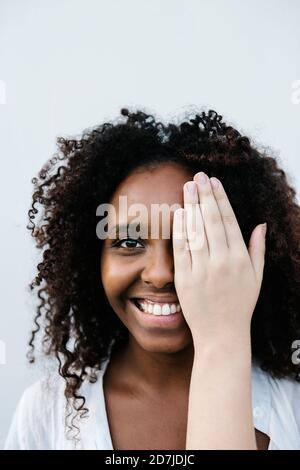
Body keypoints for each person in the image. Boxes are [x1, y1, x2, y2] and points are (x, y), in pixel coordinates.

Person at [4, 108, 300, 450]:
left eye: (193, 241)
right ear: (91, 259)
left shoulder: (291, 405)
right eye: (129, 242)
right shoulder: (48, 413)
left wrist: (222, 337)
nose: (160, 273)